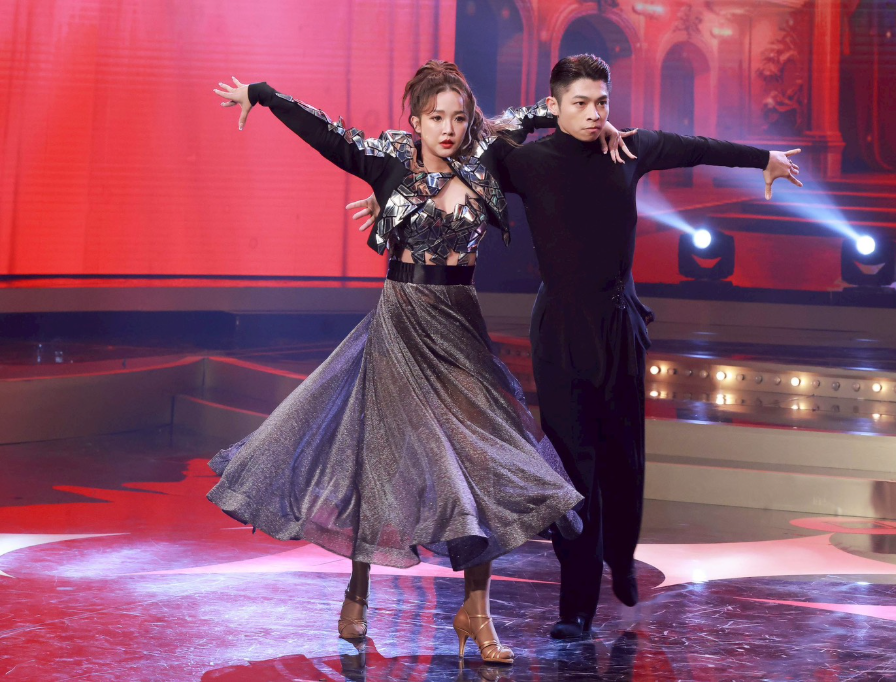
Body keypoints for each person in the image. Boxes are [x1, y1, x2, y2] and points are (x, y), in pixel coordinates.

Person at [350, 54, 802, 641]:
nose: (594, 114)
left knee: (624, 459)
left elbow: (697, 147)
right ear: (555, 106)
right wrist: (395, 197)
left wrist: (763, 158)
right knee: (574, 469)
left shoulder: (629, 149)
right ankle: (577, 607)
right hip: (561, 331)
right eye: (581, 104)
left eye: (601, 103)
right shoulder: (526, 162)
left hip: (620, 326)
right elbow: (463, 153)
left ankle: (622, 557)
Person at [207, 61, 626, 664]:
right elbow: (329, 134)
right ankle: (357, 592)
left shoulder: (486, 154)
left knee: (478, 465)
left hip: (459, 328)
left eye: (458, 118)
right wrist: (265, 95)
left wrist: (598, 123)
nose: (449, 129)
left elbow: (548, 110)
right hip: (401, 324)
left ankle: (476, 613)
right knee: (376, 460)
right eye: (436, 118)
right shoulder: (388, 164)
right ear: (416, 121)